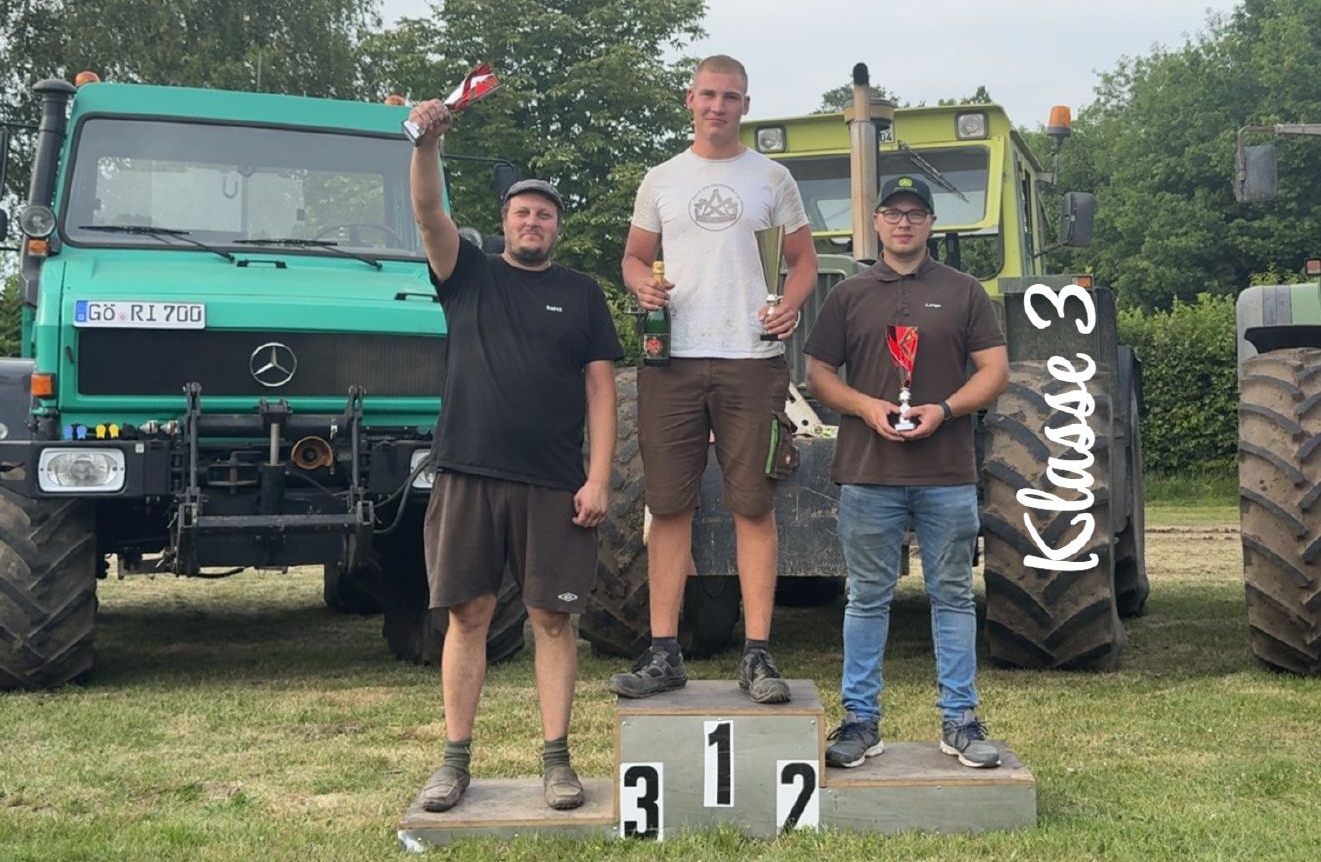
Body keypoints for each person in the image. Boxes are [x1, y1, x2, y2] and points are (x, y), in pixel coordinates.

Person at [404, 98, 622, 812]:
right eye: (523, 212)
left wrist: (598, 477)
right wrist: (427, 146)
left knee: (552, 621)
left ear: (558, 227)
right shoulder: (467, 272)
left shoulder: (581, 294)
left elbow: (601, 392)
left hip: (555, 483)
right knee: (467, 617)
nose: (533, 222)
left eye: (545, 215)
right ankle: (453, 762)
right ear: (504, 221)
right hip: (467, 471)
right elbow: (429, 213)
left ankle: (558, 762)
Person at [609, 54, 818, 704]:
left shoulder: (773, 178)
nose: (718, 106)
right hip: (671, 360)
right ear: (690, 100)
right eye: (708, 95)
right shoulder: (662, 179)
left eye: (730, 97)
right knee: (669, 506)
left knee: (752, 505)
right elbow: (634, 257)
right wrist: (642, 285)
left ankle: (757, 654)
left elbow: (803, 262)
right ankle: (664, 652)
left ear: (745, 105)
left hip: (751, 361)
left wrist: (791, 305)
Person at [802, 174, 1010, 769]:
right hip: (869, 472)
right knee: (866, 598)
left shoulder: (964, 291)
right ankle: (860, 721)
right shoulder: (849, 295)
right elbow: (819, 374)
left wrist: (944, 409)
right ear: (875, 222)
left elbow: (995, 370)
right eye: (893, 213)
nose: (903, 223)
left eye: (915, 213)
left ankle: (960, 720)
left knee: (953, 596)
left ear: (931, 224)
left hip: (948, 472)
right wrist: (866, 407)